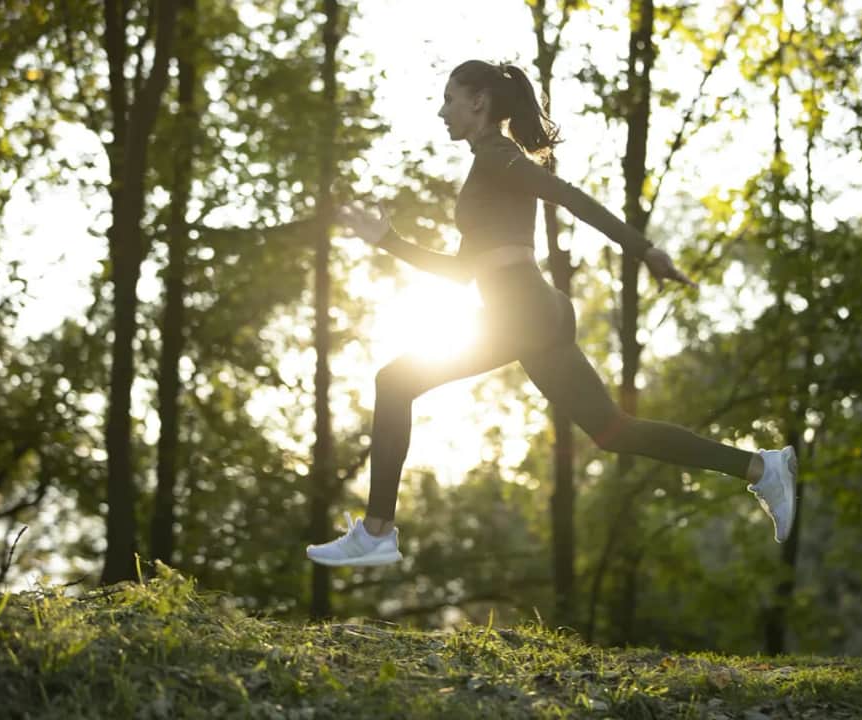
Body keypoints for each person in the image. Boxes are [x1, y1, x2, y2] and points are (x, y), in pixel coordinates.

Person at [306, 60, 796, 567]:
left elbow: (568, 197)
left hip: (522, 313)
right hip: (530, 315)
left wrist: (644, 249)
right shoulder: (485, 167)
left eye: (449, 99)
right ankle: (761, 469)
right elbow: (459, 272)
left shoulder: (498, 157)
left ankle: (378, 531)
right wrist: (386, 240)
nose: (441, 110)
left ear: (478, 102)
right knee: (614, 432)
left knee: (395, 380)